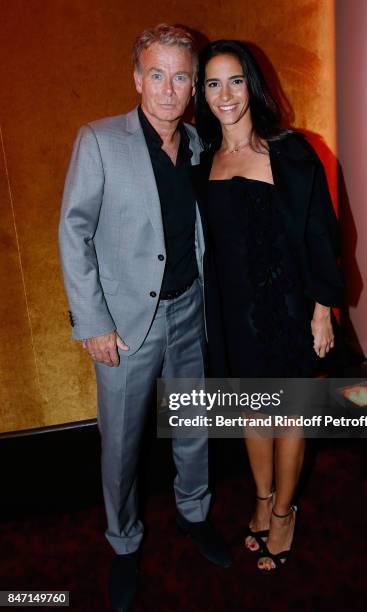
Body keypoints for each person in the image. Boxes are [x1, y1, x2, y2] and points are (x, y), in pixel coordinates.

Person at [59, 24, 231, 612]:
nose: (167, 88)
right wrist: (92, 322)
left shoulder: (199, 144)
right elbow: (73, 232)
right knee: (123, 443)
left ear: (191, 86)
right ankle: (125, 543)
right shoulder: (99, 141)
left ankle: (193, 513)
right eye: (155, 74)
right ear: (137, 79)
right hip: (128, 326)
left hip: (190, 311)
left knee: (193, 428)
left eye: (180, 76)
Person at [194, 40, 343, 572]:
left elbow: (323, 232)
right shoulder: (200, 159)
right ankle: (261, 499)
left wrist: (323, 307)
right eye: (212, 83)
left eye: (235, 81)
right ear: (202, 93)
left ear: (252, 85)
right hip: (235, 316)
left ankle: (284, 511)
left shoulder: (293, 150)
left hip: (287, 306)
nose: (225, 94)